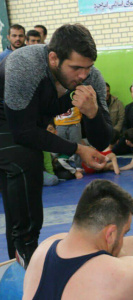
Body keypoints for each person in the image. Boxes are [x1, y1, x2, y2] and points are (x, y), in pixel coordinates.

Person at [0, 24, 113, 268]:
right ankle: (25, 250)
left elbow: (103, 141)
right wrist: (77, 149)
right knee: (24, 162)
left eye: (88, 67)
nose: (83, 75)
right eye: (76, 68)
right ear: (53, 58)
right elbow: (23, 133)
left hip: (29, 119)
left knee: (17, 187)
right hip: (6, 116)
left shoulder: (91, 77)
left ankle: (17, 254)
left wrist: (93, 114)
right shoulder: (25, 64)